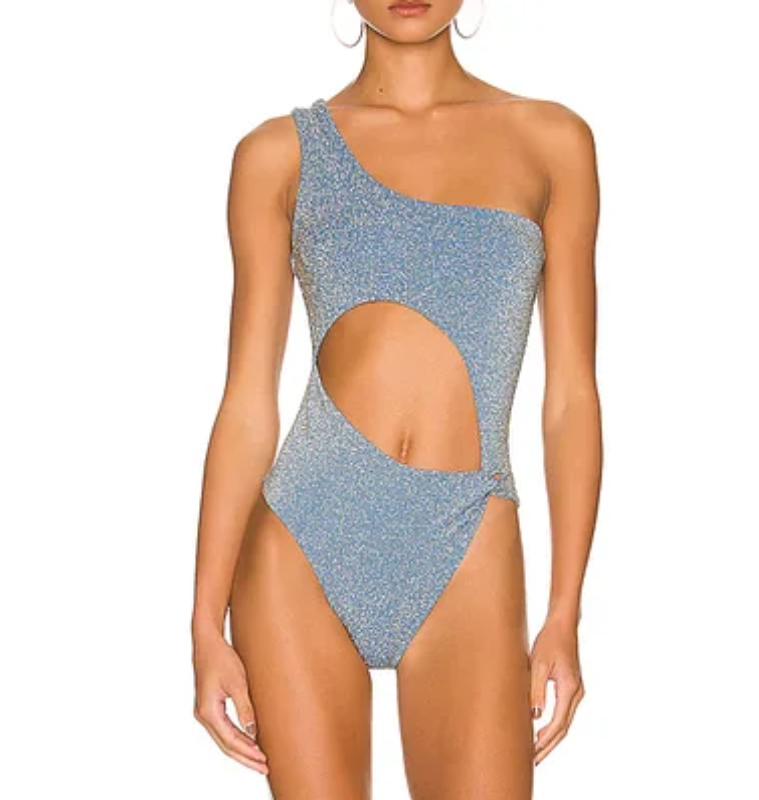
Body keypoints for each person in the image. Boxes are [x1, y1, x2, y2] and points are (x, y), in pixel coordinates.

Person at [191, 1, 602, 797]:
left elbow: (571, 398)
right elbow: (246, 401)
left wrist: (565, 610)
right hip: (303, 535)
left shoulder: (552, 142)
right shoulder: (278, 155)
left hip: (468, 533)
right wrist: (205, 624)